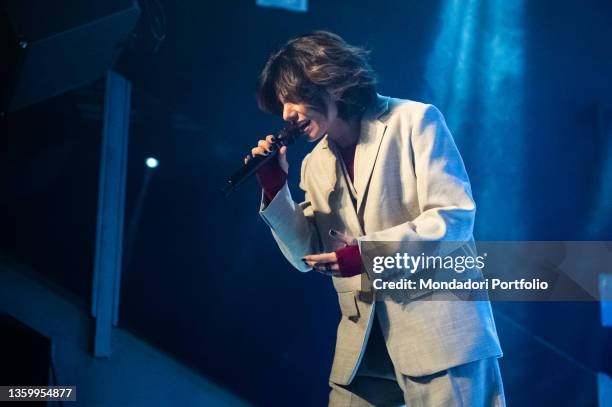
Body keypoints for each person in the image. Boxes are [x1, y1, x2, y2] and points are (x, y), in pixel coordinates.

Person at [250, 30, 505, 406]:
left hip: (440, 331)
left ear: (328, 80)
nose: (286, 114)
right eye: (281, 106)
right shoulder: (314, 164)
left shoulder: (415, 120)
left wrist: (369, 254)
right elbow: (306, 253)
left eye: (292, 99)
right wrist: (275, 190)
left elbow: (453, 218)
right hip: (363, 344)